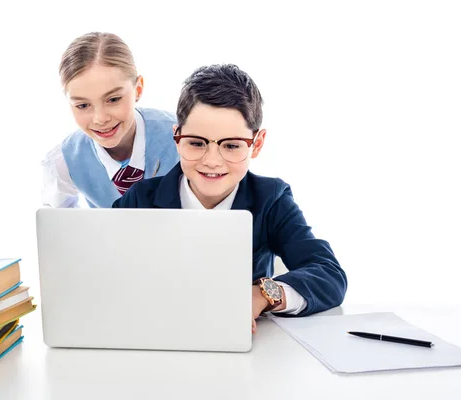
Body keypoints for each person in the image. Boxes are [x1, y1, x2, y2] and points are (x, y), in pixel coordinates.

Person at [112, 64, 347, 331]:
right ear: (176, 138)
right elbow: (103, 269)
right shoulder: (140, 199)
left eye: (232, 145)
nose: (212, 161)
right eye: (197, 143)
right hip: (153, 334)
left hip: (243, 344)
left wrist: (261, 294)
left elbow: (329, 274)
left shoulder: (271, 200)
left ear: (256, 144)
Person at [41, 32, 179, 208]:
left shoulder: (185, 138)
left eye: (113, 99)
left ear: (138, 89)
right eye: (83, 105)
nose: (100, 119)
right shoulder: (64, 161)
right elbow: (58, 228)